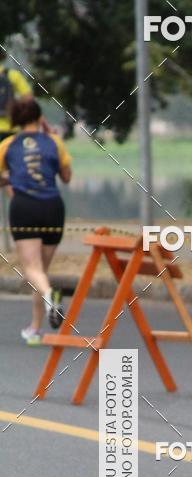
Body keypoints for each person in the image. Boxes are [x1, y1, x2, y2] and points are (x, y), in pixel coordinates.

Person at [0, 98, 71, 345]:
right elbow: (66, 176)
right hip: (53, 208)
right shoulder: (54, 141)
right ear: (39, 116)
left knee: (32, 269)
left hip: (25, 208)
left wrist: (11, 179)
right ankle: (36, 328)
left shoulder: (8, 145)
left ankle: (51, 297)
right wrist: (51, 137)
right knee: (41, 272)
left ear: (15, 119)